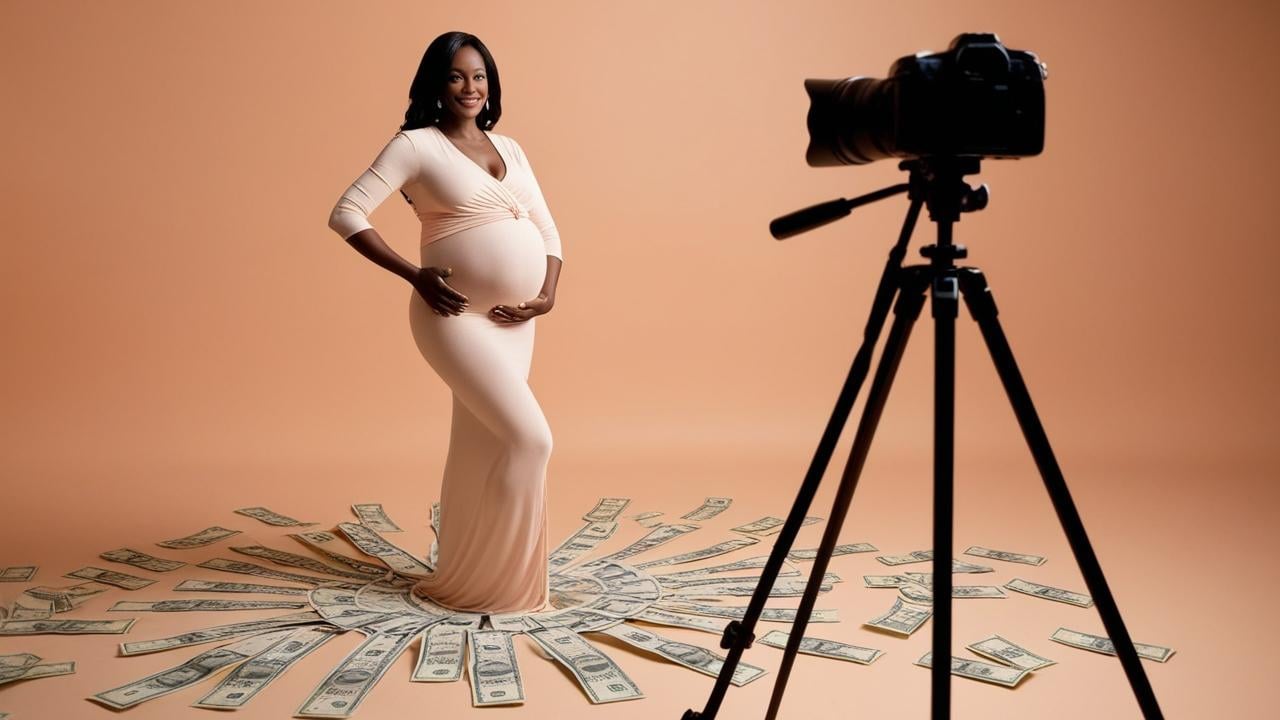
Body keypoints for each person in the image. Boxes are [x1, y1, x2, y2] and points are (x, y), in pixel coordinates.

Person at [326, 31, 563, 615]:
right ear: (437, 83)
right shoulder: (416, 145)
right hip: (454, 319)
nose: (470, 87)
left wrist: (546, 296)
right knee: (530, 439)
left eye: (479, 76)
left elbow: (550, 233)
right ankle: (502, 586)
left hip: (515, 323)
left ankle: (467, 574)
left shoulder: (511, 146)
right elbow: (345, 212)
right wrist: (414, 274)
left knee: (481, 445)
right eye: (457, 76)